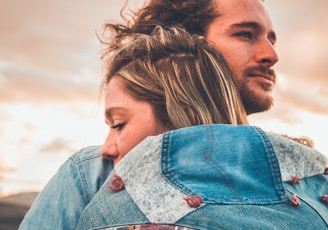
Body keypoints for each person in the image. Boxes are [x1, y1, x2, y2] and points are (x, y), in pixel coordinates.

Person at [20, 24, 328, 229]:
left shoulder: (94, 178)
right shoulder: (313, 185)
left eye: (118, 124)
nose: (107, 148)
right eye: (246, 33)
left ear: (184, 113)